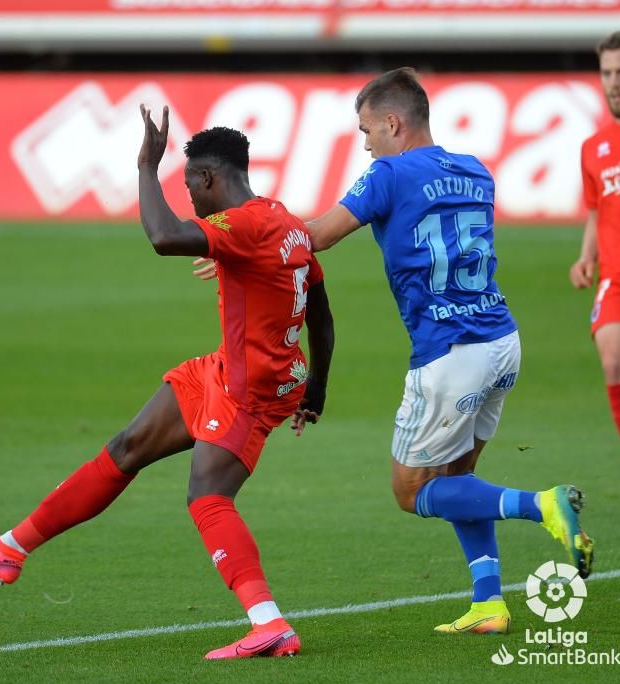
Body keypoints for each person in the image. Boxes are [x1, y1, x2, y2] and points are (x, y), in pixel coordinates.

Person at [0, 106, 335, 660]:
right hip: (230, 369)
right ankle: (9, 549)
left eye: (190, 184)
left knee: (208, 496)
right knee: (127, 446)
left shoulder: (243, 226)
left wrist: (146, 164)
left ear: (209, 178)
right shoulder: (283, 222)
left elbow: (163, 237)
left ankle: (270, 624)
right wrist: (317, 386)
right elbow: (321, 311)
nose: (189, 196)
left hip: (250, 387)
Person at [199, 67, 593, 635]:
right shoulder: (476, 171)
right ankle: (489, 602)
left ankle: (543, 504)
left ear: (392, 122)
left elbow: (317, 234)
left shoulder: (386, 173)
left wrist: (239, 247)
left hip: (448, 352)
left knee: (414, 491)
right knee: (459, 473)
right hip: (501, 340)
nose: (364, 144)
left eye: (366, 130)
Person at [570, 28, 620, 523]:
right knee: (614, 360)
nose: (614, 82)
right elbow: (596, 209)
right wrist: (585, 256)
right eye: (608, 73)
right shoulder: (593, 148)